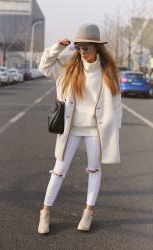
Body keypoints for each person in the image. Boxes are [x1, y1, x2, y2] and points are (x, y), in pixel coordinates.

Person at [38, 23, 122, 234]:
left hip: (96, 129)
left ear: (97, 48)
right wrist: (57, 47)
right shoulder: (67, 64)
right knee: (58, 171)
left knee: (94, 170)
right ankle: (45, 212)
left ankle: (88, 212)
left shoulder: (108, 70)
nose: (82, 51)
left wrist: (115, 129)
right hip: (71, 128)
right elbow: (44, 67)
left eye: (87, 47)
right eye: (79, 47)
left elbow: (117, 102)